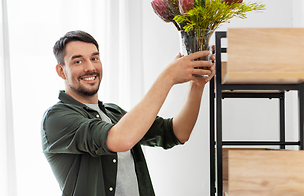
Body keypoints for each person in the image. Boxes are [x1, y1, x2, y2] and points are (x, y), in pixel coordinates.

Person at [41, 30, 215, 196]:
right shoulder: (56, 118)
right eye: (78, 61)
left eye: (94, 58)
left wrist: (197, 85)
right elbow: (121, 139)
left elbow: (177, 133)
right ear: (61, 71)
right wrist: (168, 77)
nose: (90, 67)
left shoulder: (113, 112)